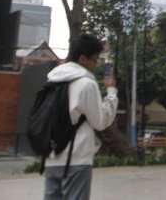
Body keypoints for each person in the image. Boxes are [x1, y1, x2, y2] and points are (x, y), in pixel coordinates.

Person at [43, 33, 118, 200]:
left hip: (51, 158)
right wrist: (111, 92)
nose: (95, 64)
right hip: (76, 158)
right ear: (83, 59)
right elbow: (100, 122)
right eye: (94, 59)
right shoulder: (86, 84)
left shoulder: (51, 82)